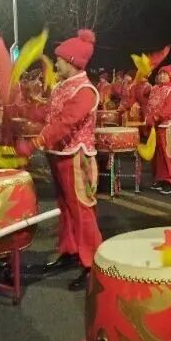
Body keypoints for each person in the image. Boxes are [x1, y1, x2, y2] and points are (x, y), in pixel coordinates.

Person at [15, 29, 102, 290]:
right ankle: (70, 251)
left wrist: (35, 143)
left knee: (82, 211)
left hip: (76, 157)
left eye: (60, 60)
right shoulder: (63, 86)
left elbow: (65, 122)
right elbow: (49, 114)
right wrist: (25, 109)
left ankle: (93, 264)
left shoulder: (85, 90)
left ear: (73, 61)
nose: (56, 64)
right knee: (66, 208)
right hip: (59, 155)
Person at [145, 64, 171, 194]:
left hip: (168, 127)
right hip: (156, 127)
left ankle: (170, 182)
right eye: (160, 73)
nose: (161, 76)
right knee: (157, 156)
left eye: (165, 73)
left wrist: (154, 117)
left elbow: (167, 110)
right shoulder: (155, 88)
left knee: (168, 155)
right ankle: (159, 179)